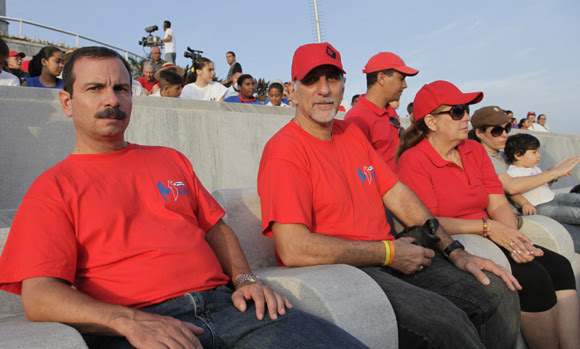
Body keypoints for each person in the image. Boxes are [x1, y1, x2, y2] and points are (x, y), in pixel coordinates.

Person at [0, 46, 365, 349]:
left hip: (230, 309)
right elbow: (39, 295)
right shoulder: (53, 187)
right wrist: (127, 321)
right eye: (95, 89)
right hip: (143, 325)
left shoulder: (169, 159)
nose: (111, 99)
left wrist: (245, 279)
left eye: (122, 89)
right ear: (67, 102)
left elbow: (216, 229)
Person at [258, 42, 521, 348]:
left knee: (498, 290)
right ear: (292, 90)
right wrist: (389, 253)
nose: (324, 90)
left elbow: (398, 195)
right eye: (311, 80)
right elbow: (293, 248)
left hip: (391, 256)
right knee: (445, 322)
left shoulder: (351, 133)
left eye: (332, 78)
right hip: (347, 271)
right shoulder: (284, 150)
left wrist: (455, 251)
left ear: (344, 85)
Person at [396, 80, 580, 348]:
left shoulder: (474, 150)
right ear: (432, 122)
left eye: (467, 109)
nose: (467, 117)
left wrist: (514, 238)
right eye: (457, 111)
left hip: (489, 232)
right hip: (455, 241)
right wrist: (488, 229)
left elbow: (497, 202)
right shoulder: (414, 160)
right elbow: (425, 222)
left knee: (560, 267)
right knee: (533, 278)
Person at [468, 106, 580, 212]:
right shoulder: (483, 157)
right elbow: (511, 186)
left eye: (506, 128)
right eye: (497, 131)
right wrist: (554, 173)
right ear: (479, 133)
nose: (505, 134)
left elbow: (531, 183)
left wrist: (554, 172)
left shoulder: (503, 155)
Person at [344, 52, 418, 171]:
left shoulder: (390, 111)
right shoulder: (357, 118)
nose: (405, 85)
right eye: (401, 79)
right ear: (381, 78)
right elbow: (360, 172)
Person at [505, 133, 580, 223]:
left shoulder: (535, 169)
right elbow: (512, 192)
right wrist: (524, 203)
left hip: (554, 198)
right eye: (534, 152)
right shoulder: (514, 171)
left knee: (575, 199)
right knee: (573, 213)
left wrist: (557, 174)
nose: (539, 155)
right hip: (540, 207)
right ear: (518, 155)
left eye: (538, 152)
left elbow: (543, 185)